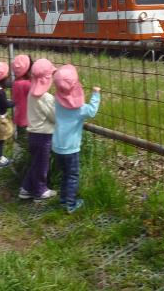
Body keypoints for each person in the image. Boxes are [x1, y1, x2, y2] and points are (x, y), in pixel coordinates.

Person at [52, 65, 100, 214]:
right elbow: (92, 111)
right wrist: (96, 94)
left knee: (65, 174)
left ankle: (63, 199)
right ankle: (71, 204)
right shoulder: (80, 109)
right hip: (71, 148)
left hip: (57, 146)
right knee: (72, 175)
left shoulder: (56, 101)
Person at [19, 58, 57, 201]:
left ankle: (26, 188)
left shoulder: (31, 93)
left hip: (32, 134)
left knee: (35, 163)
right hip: (44, 137)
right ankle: (40, 191)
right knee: (42, 165)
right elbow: (54, 117)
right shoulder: (46, 97)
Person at [11, 54, 32, 144]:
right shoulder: (27, 84)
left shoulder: (16, 83)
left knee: (21, 141)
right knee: (26, 142)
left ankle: (18, 156)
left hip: (19, 117)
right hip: (27, 120)